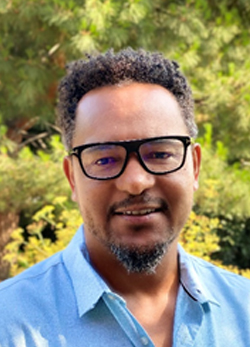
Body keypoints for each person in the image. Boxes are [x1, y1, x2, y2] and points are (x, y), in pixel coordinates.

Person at [0, 48, 249, 347]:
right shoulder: (9, 323)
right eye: (104, 159)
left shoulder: (244, 312)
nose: (135, 182)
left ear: (194, 166)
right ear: (72, 178)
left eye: (160, 153)